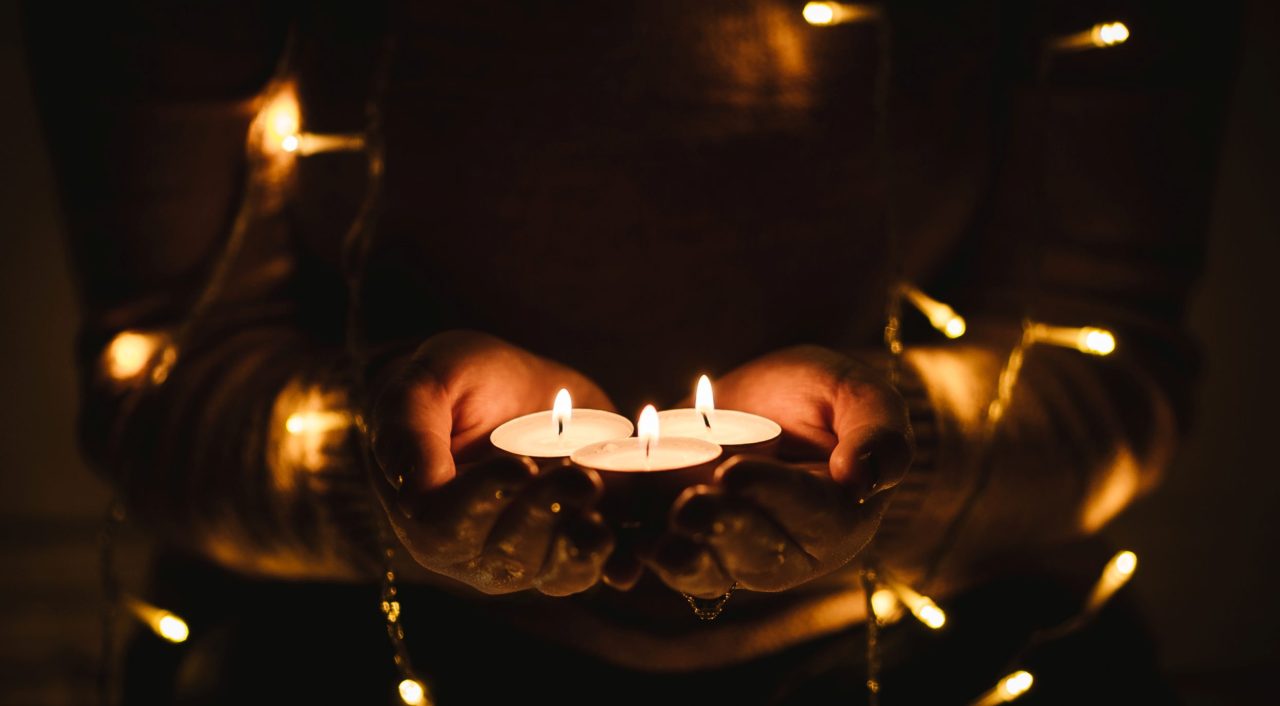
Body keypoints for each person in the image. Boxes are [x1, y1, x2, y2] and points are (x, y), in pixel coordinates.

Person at [25, 0, 1237, 703]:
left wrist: (893, 453)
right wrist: (388, 470)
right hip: (341, 659)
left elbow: (1107, 360)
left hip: (941, 666)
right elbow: (161, 387)